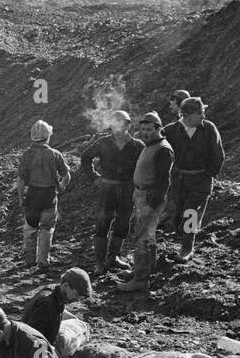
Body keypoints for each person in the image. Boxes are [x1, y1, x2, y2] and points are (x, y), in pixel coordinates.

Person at [79, 110, 143, 276]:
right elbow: (85, 158)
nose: (119, 127)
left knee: (122, 224)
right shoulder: (102, 143)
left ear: (129, 125)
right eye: (116, 123)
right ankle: (99, 263)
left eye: (124, 123)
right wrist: (94, 178)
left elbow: (144, 167)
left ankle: (113, 257)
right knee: (102, 223)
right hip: (107, 189)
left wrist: (139, 186)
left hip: (127, 190)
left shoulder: (137, 146)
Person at [162, 96, 225, 262]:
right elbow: (159, 152)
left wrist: (209, 174)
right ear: (188, 115)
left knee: (191, 212)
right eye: (200, 113)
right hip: (178, 180)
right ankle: (183, 239)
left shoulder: (209, 129)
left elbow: (218, 155)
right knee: (178, 216)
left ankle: (186, 250)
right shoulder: (170, 131)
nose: (203, 116)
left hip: (201, 180)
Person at [118, 112, 173, 293]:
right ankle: (146, 270)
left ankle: (140, 279)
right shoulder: (150, 146)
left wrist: (152, 203)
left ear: (158, 129)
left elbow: (164, 180)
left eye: (149, 129)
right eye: (142, 129)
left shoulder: (163, 149)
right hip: (142, 195)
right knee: (147, 237)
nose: (145, 132)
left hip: (150, 198)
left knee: (141, 238)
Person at [17, 120, 71, 271]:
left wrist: (21, 198)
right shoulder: (55, 154)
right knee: (47, 229)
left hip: (33, 195)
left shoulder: (27, 155)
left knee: (30, 228)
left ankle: (29, 260)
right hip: (49, 196)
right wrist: (61, 186)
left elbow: (21, 180)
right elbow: (66, 175)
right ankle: (43, 261)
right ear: (48, 137)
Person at [21, 268, 92, 358]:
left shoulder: (54, 290)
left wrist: (73, 318)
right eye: (76, 294)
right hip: (35, 350)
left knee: (78, 325)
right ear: (66, 286)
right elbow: (33, 337)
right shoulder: (47, 304)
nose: (77, 299)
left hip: (43, 342)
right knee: (81, 332)